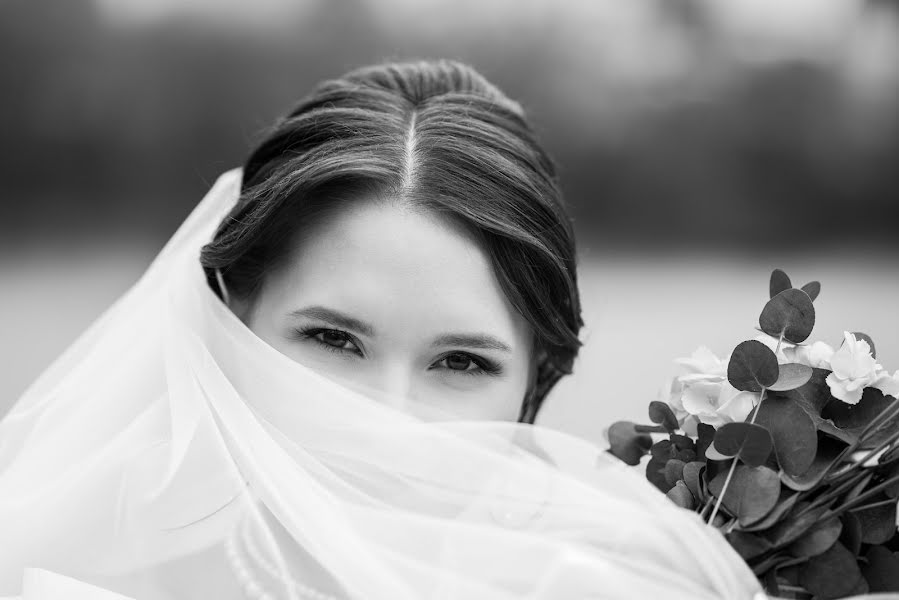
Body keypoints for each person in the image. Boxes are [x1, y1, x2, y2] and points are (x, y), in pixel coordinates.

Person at [0, 60, 763, 599]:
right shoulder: (72, 574)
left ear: (538, 373)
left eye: (461, 362)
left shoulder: (606, 589)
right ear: (229, 314)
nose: (384, 418)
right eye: (332, 340)